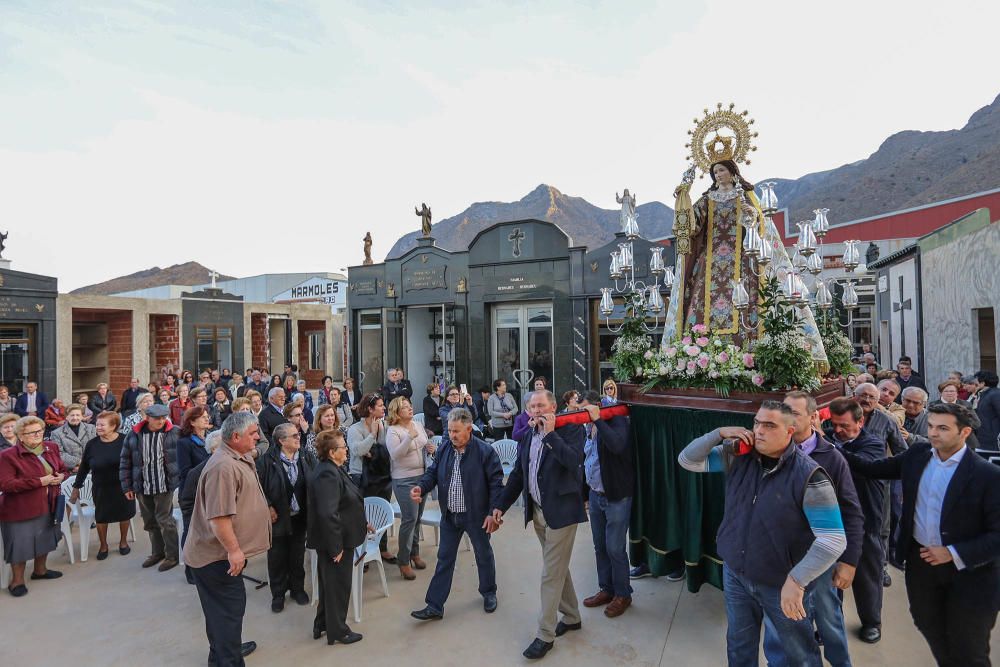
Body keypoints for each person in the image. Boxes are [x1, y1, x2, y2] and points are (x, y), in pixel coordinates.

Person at [678, 401, 846, 665]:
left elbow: (833, 539)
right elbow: (687, 460)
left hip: (780, 583)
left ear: (790, 431)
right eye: (757, 423)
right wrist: (718, 433)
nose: (759, 431)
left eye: (769, 425)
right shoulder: (738, 456)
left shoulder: (810, 475)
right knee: (739, 645)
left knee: (796, 654)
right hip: (736, 573)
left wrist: (797, 580)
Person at [838, 403, 1000, 666]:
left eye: (943, 428)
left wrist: (952, 553)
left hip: (973, 576)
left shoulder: (988, 476)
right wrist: (828, 447)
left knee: (969, 647)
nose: (933, 433)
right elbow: (873, 469)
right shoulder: (919, 454)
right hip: (921, 564)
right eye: (932, 426)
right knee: (927, 623)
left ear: (964, 432)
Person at [761, 391, 865, 667]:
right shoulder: (769, 453)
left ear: (814, 417)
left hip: (817, 558)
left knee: (828, 619)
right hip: (780, 557)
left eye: (794, 413)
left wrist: (849, 561)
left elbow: (852, 513)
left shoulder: (831, 458)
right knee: (779, 623)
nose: (787, 418)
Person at [492, 390, 587, 660]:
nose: (536, 410)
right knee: (557, 568)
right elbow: (519, 475)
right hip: (538, 512)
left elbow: (573, 462)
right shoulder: (526, 435)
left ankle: (545, 635)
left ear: (553, 407)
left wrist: (550, 434)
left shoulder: (570, 429)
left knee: (549, 574)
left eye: (541, 405)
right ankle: (571, 616)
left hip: (562, 513)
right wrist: (500, 505)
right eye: (532, 406)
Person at [184, 411, 270, 665]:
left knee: (222, 613)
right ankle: (229, 659)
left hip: (221, 557)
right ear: (235, 436)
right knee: (227, 613)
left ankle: (220, 655)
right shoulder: (223, 467)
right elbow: (219, 518)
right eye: (253, 434)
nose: (258, 438)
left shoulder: (235, 454)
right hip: (216, 558)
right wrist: (234, 551)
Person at [410, 408, 503, 621]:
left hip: (476, 516)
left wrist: (492, 513)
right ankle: (434, 605)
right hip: (451, 515)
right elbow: (432, 473)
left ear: (469, 429)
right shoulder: (445, 448)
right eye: (450, 430)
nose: (452, 435)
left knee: (483, 554)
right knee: (444, 558)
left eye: (457, 431)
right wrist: (421, 488)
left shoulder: (484, 451)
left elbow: (496, 484)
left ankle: (489, 592)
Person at [826, 397, 891, 643]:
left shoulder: (872, 443)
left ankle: (872, 622)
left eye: (844, 425)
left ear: (860, 421)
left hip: (866, 521)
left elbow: (862, 465)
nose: (838, 430)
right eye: (834, 424)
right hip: (833, 519)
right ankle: (830, 623)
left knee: (867, 577)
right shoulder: (829, 437)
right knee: (831, 578)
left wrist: (828, 446)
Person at [577, 390, 635, 618]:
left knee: (615, 548)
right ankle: (606, 588)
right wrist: (584, 494)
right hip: (595, 494)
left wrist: (598, 420)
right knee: (599, 545)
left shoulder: (617, 420)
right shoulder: (586, 428)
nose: (581, 415)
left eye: (585, 410)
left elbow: (617, 445)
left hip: (616, 496)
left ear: (597, 406)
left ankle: (623, 593)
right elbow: (587, 462)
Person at [307, 430, 366, 646]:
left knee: (329, 585)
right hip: (336, 541)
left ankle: (322, 623)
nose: (347, 449)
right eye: (343, 447)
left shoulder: (333, 469)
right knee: (338, 586)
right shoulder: (327, 474)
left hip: (341, 536)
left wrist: (362, 520)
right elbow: (327, 513)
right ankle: (339, 631)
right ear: (332, 452)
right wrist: (336, 547)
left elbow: (346, 502)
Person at [259, 422, 317, 611]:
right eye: (294, 435)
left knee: (297, 554)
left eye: (298, 434)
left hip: (300, 516)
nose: (298, 437)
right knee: (277, 557)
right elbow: (256, 487)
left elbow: (316, 478)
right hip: (278, 517)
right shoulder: (267, 461)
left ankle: (297, 589)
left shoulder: (306, 456)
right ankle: (278, 594)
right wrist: (267, 505)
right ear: (281, 441)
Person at [120, 403, 180, 571]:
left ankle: (172, 555)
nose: (161, 421)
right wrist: (127, 487)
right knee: (149, 521)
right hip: (143, 485)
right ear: (147, 418)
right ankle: (157, 552)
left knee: (165, 520)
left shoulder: (175, 432)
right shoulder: (134, 434)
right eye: (156, 418)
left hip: (165, 484)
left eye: (163, 417)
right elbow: (125, 461)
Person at [70, 411, 135, 560]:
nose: (97, 427)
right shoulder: (92, 444)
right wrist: (76, 487)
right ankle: (103, 545)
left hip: (123, 486)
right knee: (101, 517)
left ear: (113, 426)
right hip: (101, 487)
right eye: (97, 424)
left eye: (102, 425)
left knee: (125, 513)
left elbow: (135, 463)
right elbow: (84, 467)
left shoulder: (125, 441)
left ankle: (123, 542)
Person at [386, 396, 435, 580]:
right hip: (404, 480)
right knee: (409, 519)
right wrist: (409, 438)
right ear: (397, 412)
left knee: (418, 518)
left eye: (409, 406)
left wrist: (429, 448)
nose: (409, 409)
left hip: (422, 477)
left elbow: (421, 445)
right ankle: (403, 561)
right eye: (404, 407)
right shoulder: (393, 430)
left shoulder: (417, 424)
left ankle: (415, 553)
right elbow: (396, 455)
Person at [347, 393, 394, 562]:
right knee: (363, 515)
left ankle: (382, 548)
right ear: (370, 409)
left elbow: (386, 448)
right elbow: (358, 451)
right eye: (380, 406)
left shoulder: (384, 425)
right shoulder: (355, 429)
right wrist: (371, 436)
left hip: (382, 476)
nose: (384, 408)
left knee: (381, 512)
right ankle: (363, 552)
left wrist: (371, 449)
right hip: (361, 477)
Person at [176, 406, 213, 501]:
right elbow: (185, 473)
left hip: (211, 491)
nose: (206, 419)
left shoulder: (213, 439)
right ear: (192, 422)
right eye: (202, 417)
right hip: (193, 494)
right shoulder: (184, 443)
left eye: (207, 416)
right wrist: (211, 458)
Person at [50, 403, 96, 474]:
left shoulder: (91, 428)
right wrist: (79, 462)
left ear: (82, 416)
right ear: (66, 417)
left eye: (78, 415)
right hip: (71, 471)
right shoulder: (56, 433)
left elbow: (95, 448)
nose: (75, 418)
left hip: (92, 469)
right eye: (72, 415)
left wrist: (86, 465)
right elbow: (59, 454)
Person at [972, 370, 1000, 451]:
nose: (974, 384)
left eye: (976, 382)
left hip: (992, 441)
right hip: (983, 439)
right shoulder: (983, 394)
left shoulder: (996, 394)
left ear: (983, 383)